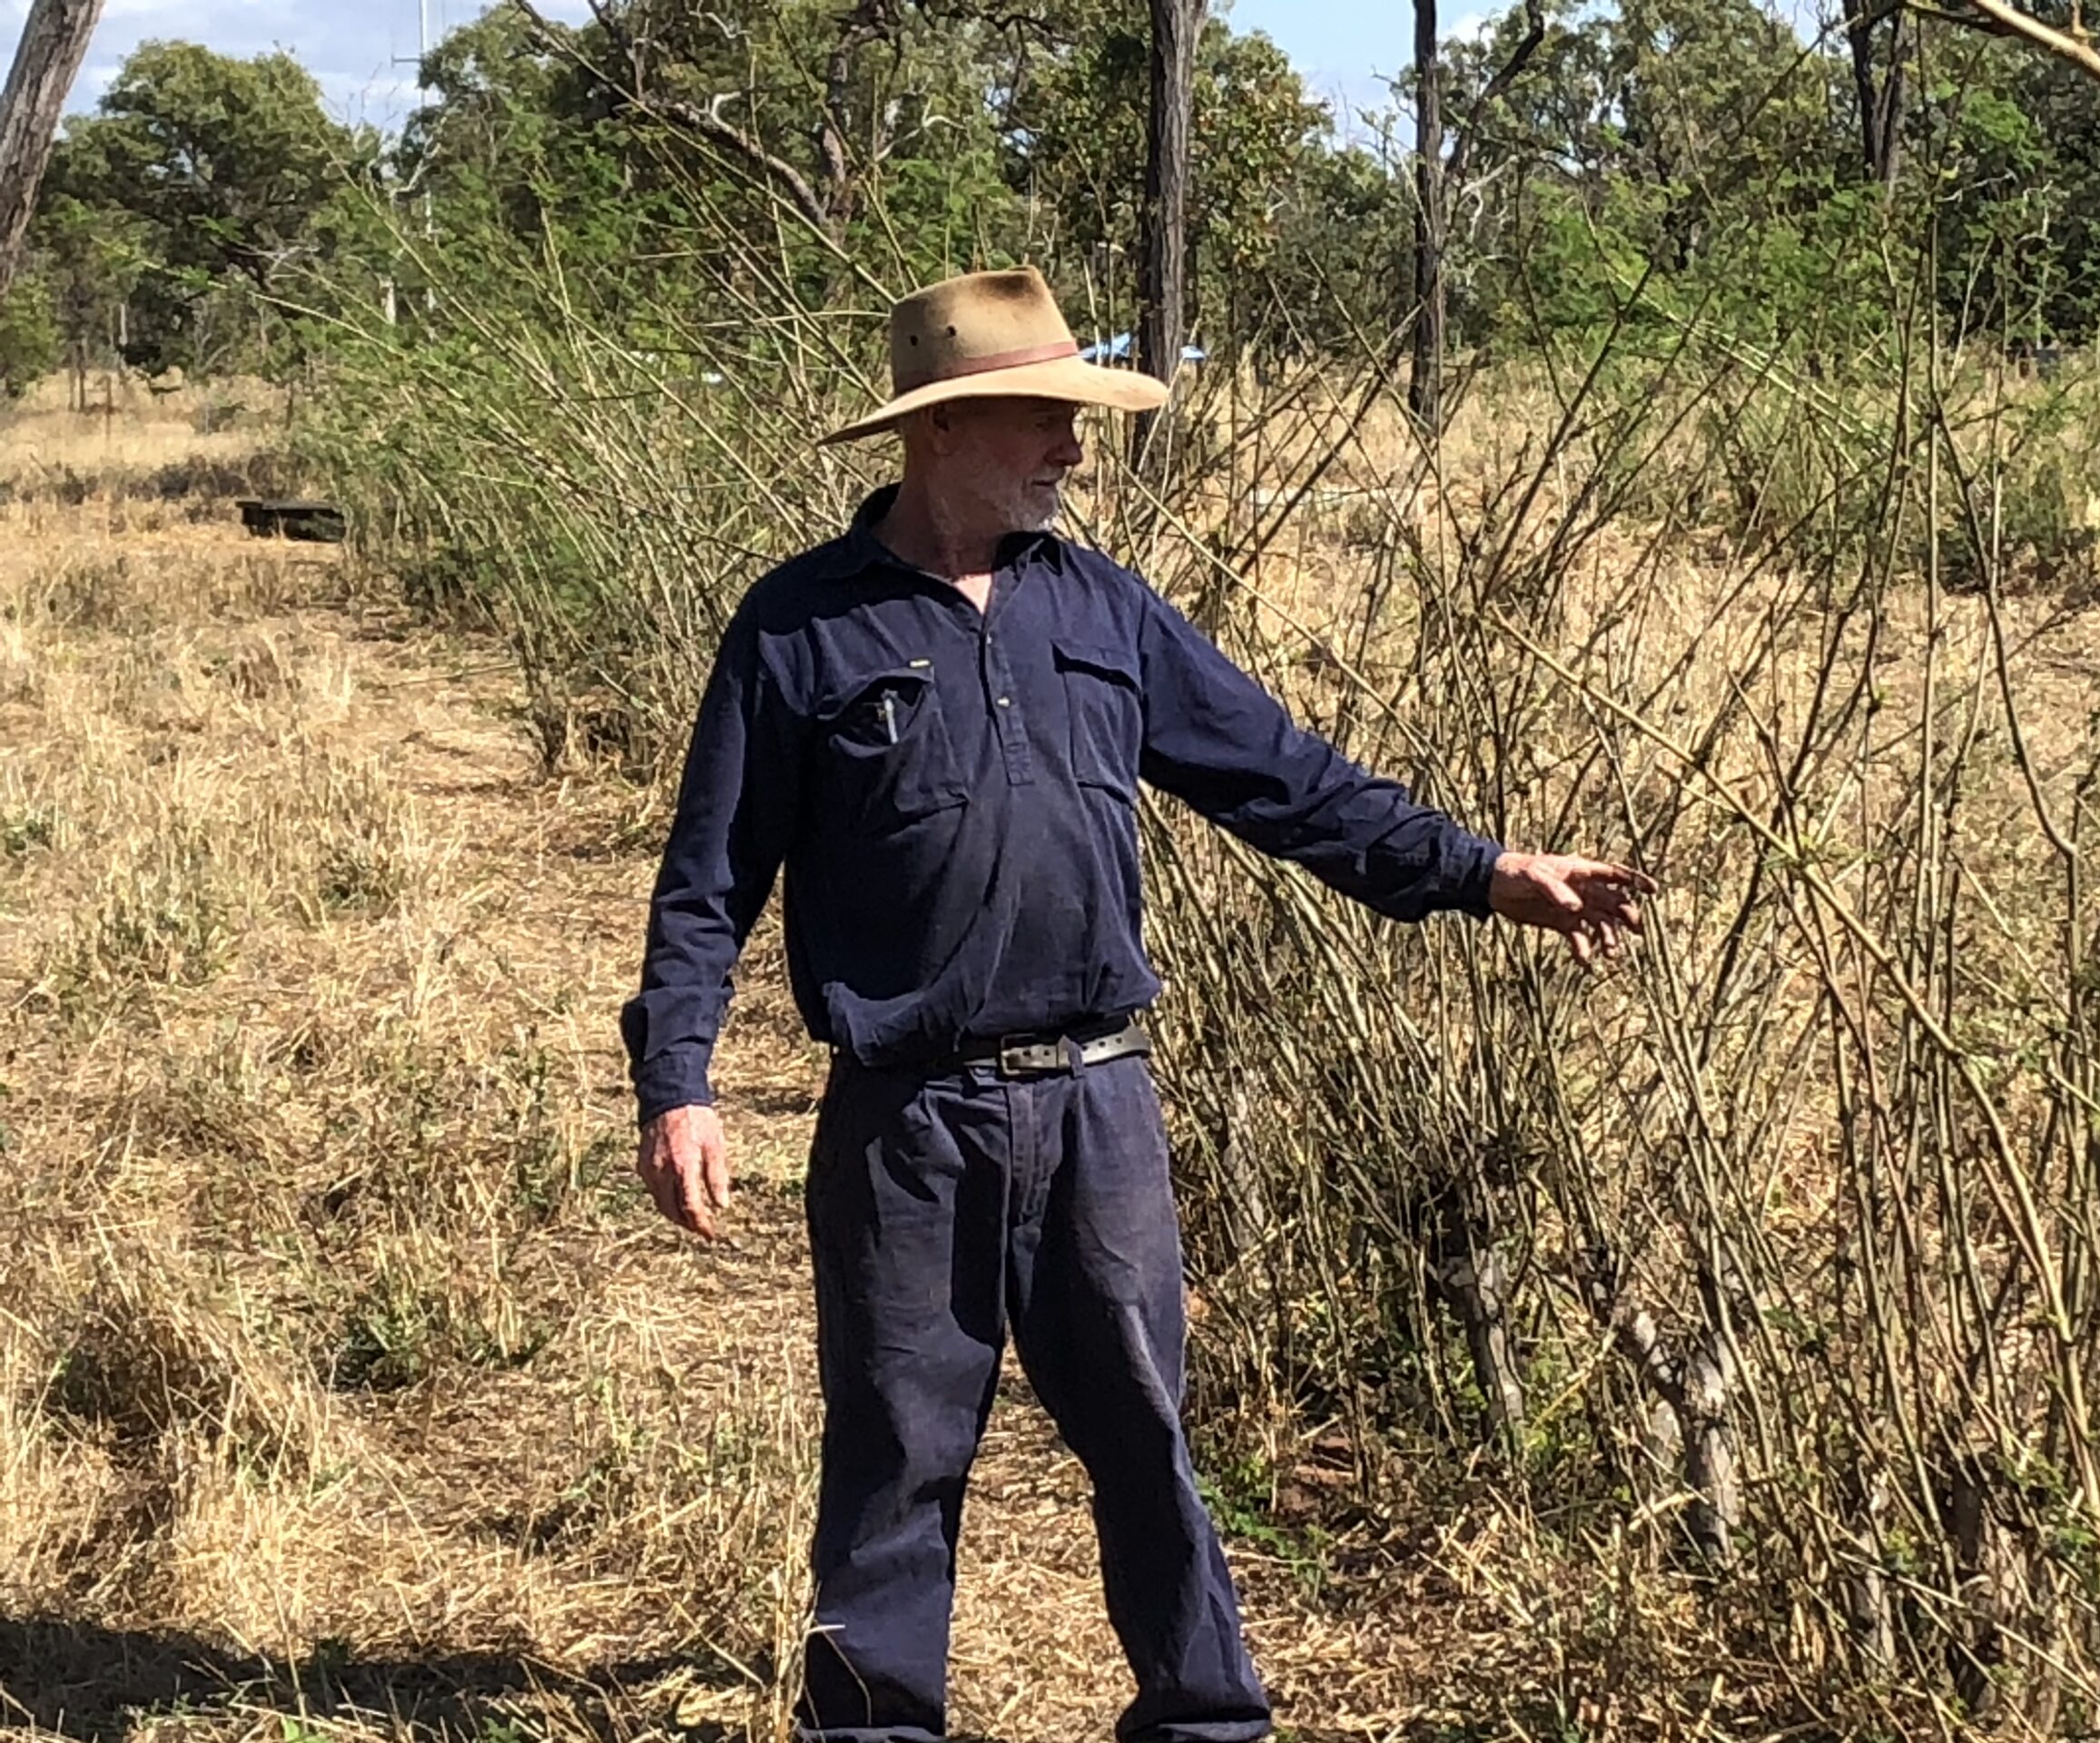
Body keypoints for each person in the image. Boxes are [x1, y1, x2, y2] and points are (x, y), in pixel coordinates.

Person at [619, 266, 1654, 1743]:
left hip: (1100, 1107)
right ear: (942, 431)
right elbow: (709, 878)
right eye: (1046, 419)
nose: (1075, 451)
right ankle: (874, 1728)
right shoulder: (801, 630)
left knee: (1144, 1439)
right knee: (897, 1455)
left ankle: (1205, 1721)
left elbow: (1282, 778)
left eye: (1077, 419)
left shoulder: (1103, 608)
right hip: (905, 1123)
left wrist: (1482, 872)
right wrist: (680, 1079)